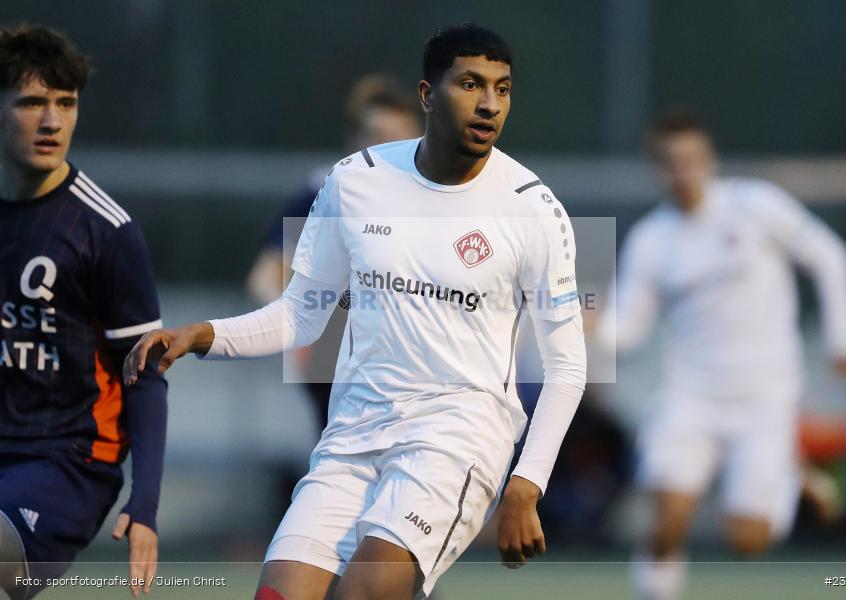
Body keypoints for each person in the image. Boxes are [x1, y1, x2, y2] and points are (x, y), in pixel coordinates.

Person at [125, 22, 585, 600]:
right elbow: (301, 313)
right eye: (471, 84)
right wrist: (201, 336)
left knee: (363, 592)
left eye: (503, 88)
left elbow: (568, 366)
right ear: (427, 95)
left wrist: (526, 483)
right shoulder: (354, 181)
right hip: (352, 436)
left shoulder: (533, 208)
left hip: (457, 440)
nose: (490, 103)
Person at [597, 110, 846, 600]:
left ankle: (789, 478)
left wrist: (844, 342)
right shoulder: (651, 240)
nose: (683, 172)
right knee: (667, 516)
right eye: (671, 162)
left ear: (710, 160)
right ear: (658, 169)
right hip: (690, 396)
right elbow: (626, 329)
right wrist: (590, 324)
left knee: (747, 541)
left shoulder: (755, 205)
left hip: (764, 397)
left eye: (692, 159)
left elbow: (829, 256)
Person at [0, 25, 167, 600]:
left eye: (66, 103)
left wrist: (145, 504)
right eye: (31, 102)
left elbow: (146, 374)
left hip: (68, 460)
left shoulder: (106, 230)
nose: (52, 121)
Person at [246, 73, 422, 431]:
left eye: (402, 141)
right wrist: (298, 327)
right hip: (342, 366)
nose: (391, 152)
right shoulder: (325, 194)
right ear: (354, 141)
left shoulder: (439, 201)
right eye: (379, 139)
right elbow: (266, 277)